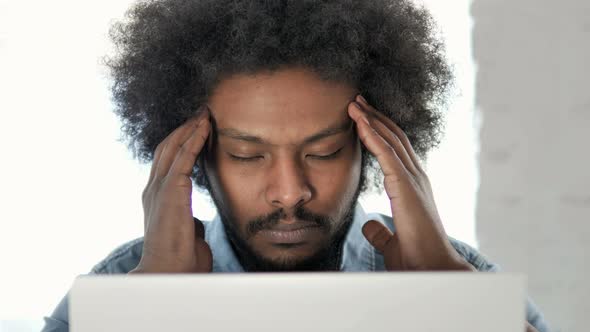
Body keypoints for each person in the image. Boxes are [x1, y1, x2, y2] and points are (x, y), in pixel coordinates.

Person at [42, 0, 550, 331]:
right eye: (247, 154)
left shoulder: (467, 283)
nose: (289, 192)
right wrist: (150, 304)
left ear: (372, 149)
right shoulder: (117, 290)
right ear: (194, 158)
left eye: (323, 151)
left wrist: (450, 296)